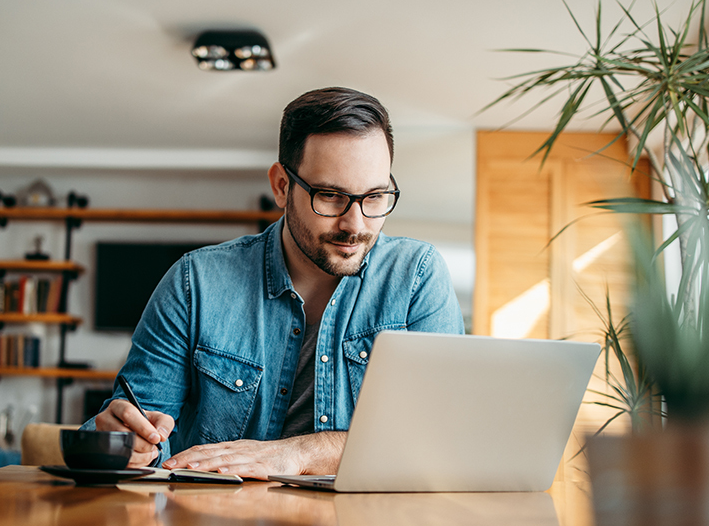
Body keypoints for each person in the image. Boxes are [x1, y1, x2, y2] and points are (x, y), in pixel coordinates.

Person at [83, 87, 464, 478]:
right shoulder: (194, 282)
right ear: (282, 186)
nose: (356, 224)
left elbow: (444, 437)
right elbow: (133, 428)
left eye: (375, 196)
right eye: (331, 196)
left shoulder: (417, 276)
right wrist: (125, 441)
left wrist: (300, 453)